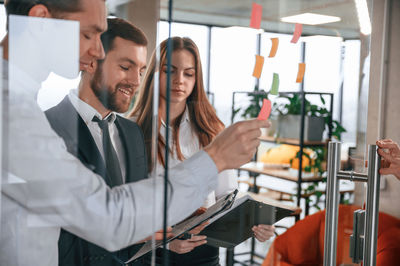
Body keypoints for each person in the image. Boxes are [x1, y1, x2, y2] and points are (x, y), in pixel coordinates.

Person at [0, 0, 270, 265]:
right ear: (40, 21)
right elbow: (109, 216)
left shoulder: (21, 107)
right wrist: (215, 158)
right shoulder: (13, 115)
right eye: (88, 34)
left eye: (140, 70)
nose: (96, 50)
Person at [129, 37, 275, 265]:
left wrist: (253, 220)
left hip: (205, 251)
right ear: (155, 74)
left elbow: (226, 195)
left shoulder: (210, 128)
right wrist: (167, 241)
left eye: (189, 73)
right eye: (170, 71)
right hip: (152, 254)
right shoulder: (132, 128)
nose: (179, 81)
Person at [45, 18, 150, 266]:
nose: (136, 81)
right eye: (126, 67)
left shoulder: (133, 133)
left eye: (142, 71)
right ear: (91, 62)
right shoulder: (44, 128)